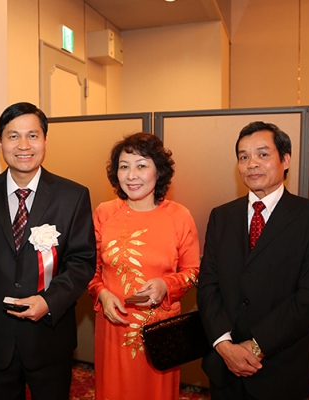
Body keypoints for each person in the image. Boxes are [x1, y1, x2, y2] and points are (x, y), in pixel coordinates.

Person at [0, 102, 96, 399]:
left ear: (45, 140)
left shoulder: (73, 196)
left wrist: (49, 301)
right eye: (13, 136)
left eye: (32, 135)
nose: (23, 145)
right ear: (0, 142)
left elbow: (82, 261)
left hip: (50, 335)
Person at [197, 121, 309, 399]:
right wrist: (224, 344)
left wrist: (256, 346)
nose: (252, 164)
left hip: (281, 367)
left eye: (262, 154)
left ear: (285, 160)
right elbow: (208, 285)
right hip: (224, 367)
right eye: (243, 157)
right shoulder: (221, 216)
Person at [86, 132, 201, 400]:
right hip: (114, 325)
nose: (131, 175)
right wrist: (102, 294)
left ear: (158, 171)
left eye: (141, 165)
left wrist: (166, 285)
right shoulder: (104, 213)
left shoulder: (179, 216)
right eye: (124, 166)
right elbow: (89, 269)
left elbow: (193, 271)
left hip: (159, 329)